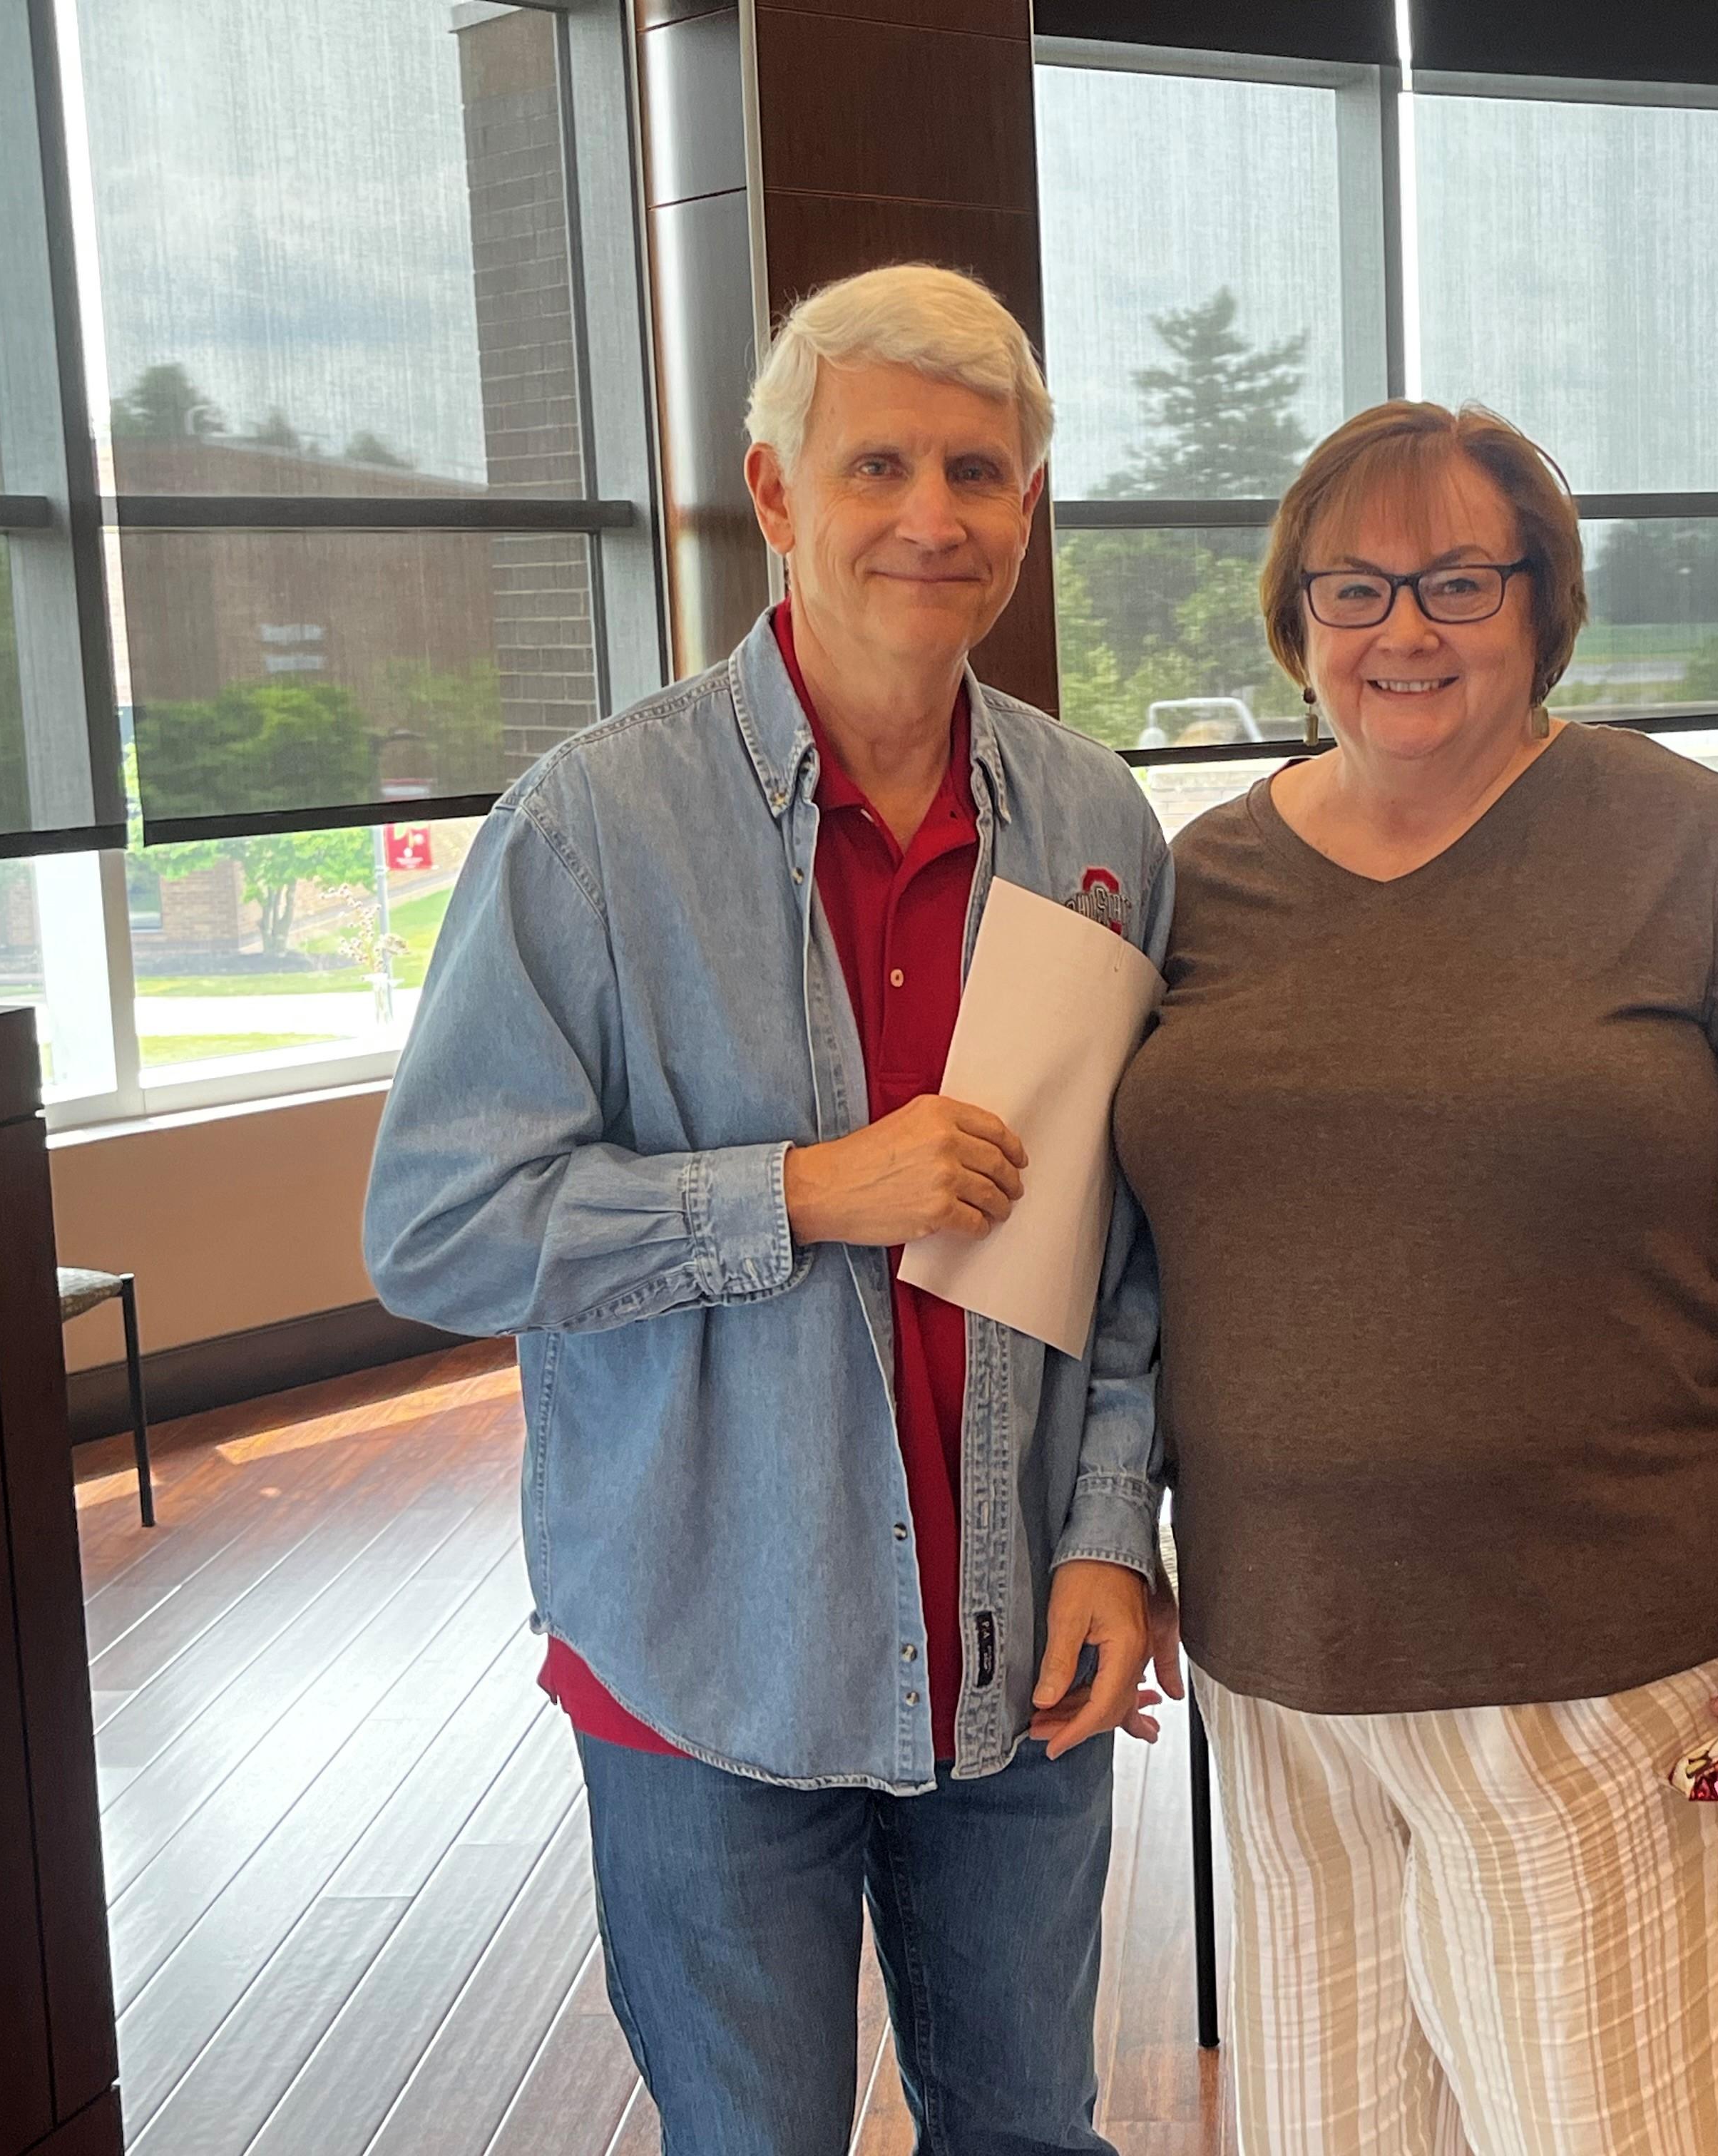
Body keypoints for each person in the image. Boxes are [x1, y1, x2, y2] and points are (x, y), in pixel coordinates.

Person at [364, 262, 1177, 2156]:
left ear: (1030, 509)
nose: (932, 514)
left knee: (1035, 2138)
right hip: (706, 1665)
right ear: (775, 491)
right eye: (877, 461)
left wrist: (1112, 1537)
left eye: (980, 470)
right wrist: (802, 1193)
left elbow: (1127, 1264)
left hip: (1014, 1664)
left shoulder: (1097, 830)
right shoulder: (589, 832)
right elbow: (440, 1230)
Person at [1111, 400, 1718, 2156]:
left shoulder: (1689, 847)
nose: (1404, 629)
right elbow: (1120, 1270)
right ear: (1296, 615)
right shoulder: (1196, 885)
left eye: (1459, 582)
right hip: (1285, 1667)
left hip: (1613, 1669)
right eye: (1356, 587)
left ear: (1544, 605)